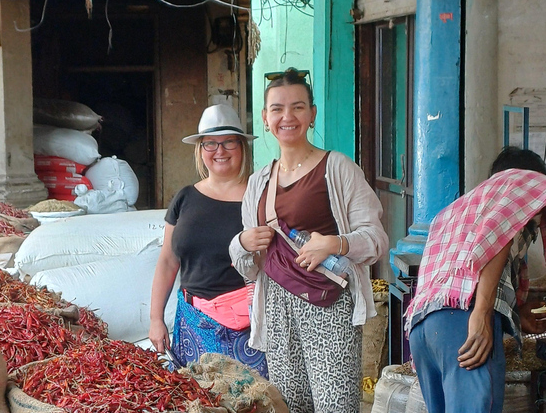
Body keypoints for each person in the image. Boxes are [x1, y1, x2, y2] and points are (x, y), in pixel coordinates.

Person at [229, 69, 388, 412]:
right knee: (291, 406)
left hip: (329, 305)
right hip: (277, 307)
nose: (288, 117)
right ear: (265, 118)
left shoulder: (338, 167)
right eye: (277, 109)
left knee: (336, 405)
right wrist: (242, 243)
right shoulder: (258, 183)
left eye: (298, 107)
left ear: (312, 114)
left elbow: (376, 239)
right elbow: (249, 268)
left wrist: (334, 244)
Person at [405, 146, 546, 413]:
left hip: (423, 331)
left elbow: (471, 264)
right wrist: (481, 313)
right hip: (461, 326)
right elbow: (497, 237)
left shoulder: (454, 211)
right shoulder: (516, 188)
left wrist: (514, 316)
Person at [149, 103, 268, 376]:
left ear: (242, 147)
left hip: (250, 328)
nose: (220, 151)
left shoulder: (260, 197)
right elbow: (168, 261)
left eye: (229, 142)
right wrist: (156, 319)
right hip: (193, 322)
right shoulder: (185, 198)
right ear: (200, 150)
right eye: (210, 144)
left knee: (253, 403)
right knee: (198, 401)